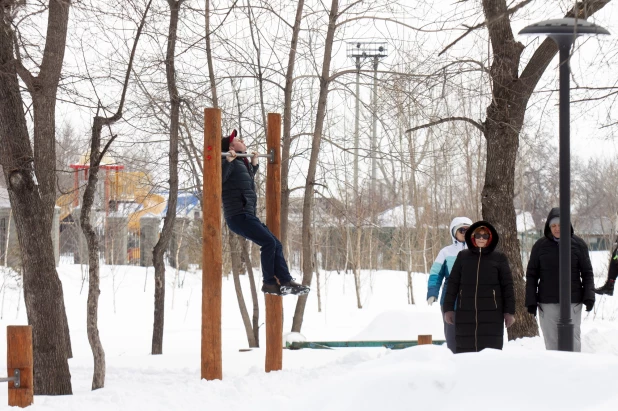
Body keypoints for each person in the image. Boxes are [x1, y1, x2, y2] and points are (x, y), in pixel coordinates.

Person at [221, 130, 309, 296]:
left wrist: (254, 165)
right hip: (238, 215)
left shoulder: (240, 162)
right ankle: (269, 283)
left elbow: (244, 182)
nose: (243, 140)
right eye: (239, 140)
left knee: (276, 243)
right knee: (268, 243)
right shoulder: (227, 160)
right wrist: (227, 161)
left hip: (247, 214)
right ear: (231, 146)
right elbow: (219, 180)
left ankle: (285, 281)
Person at [525, 208, 595, 352]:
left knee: (573, 340)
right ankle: (554, 372)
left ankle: (575, 372)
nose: (557, 229)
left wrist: (589, 295)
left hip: (572, 301)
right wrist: (530, 300)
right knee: (552, 341)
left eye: (560, 225)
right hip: (547, 302)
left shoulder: (578, 245)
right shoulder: (540, 246)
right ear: (549, 227)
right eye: (553, 226)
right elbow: (532, 275)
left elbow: (587, 273)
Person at [442, 221, 516, 353]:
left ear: (490, 237)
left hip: (492, 313)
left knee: (490, 353)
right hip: (465, 312)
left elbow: (508, 286)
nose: (481, 238)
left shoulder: (499, 258)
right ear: (472, 237)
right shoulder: (463, 256)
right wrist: (448, 308)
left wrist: (509, 311)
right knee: (465, 352)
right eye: (478, 235)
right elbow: (453, 283)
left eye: (485, 236)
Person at [426, 217, 472, 352]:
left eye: (468, 230)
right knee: (452, 335)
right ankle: (454, 359)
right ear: (454, 233)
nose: (464, 232)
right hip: (450, 301)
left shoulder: (477, 251)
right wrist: (432, 292)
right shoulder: (446, 252)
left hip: (472, 300)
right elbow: (436, 273)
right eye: (461, 230)